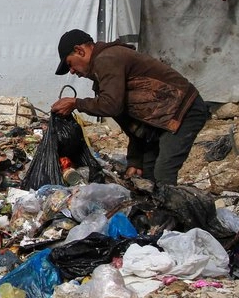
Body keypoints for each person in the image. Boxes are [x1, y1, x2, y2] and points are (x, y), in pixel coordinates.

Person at [51, 28, 209, 185]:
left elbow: (111, 105)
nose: (71, 72)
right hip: (162, 118)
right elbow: (131, 122)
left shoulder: (107, 58)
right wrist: (135, 160)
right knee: (148, 172)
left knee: (163, 171)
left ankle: (171, 209)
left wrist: (76, 103)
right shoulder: (102, 73)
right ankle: (154, 207)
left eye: (70, 64)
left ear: (79, 50)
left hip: (183, 110)